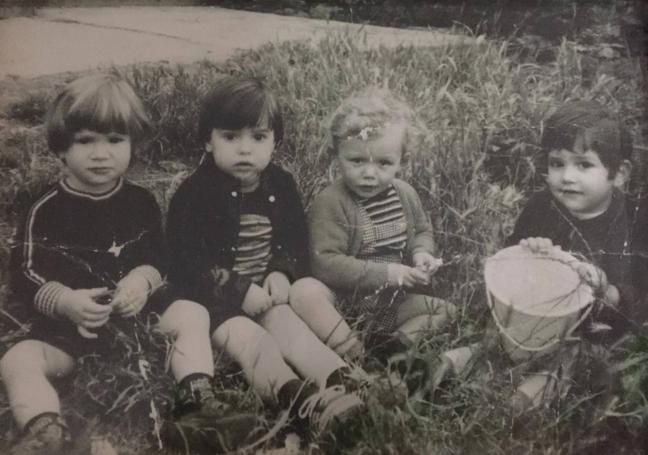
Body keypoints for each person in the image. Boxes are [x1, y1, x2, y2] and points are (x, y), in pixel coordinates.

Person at [0, 74, 258, 455]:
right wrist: (66, 302)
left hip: (138, 317)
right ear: (61, 150)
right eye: (85, 141)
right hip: (71, 328)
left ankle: (197, 403)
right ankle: (45, 431)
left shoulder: (141, 201)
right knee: (18, 359)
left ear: (134, 145)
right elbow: (24, 270)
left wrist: (141, 281)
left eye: (115, 140)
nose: (101, 154)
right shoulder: (46, 207)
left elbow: (159, 257)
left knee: (190, 313)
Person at [165, 76, 363, 440]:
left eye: (258, 137)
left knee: (293, 330)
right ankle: (297, 400)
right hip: (217, 307)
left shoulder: (281, 184)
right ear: (207, 141)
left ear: (275, 141)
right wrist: (238, 289)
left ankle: (346, 383)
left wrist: (280, 271)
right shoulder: (193, 194)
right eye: (230, 137)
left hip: (267, 297)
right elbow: (185, 260)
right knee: (255, 344)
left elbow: (293, 240)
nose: (245, 149)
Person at [441, 100, 644, 414]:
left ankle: (519, 405)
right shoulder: (541, 206)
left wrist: (604, 288)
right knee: (499, 337)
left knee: (575, 354)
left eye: (584, 165)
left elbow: (638, 302)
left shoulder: (635, 219)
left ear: (619, 174)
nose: (567, 177)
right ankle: (452, 364)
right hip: (535, 320)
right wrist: (527, 252)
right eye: (556, 163)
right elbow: (509, 268)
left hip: (598, 330)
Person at [289, 88, 456, 368]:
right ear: (336, 156)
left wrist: (421, 255)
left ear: (402, 162)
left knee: (445, 311)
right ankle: (353, 351)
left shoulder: (405, 194)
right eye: (357, 161)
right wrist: (389, 273)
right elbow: (325, 263)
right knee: (305, 292)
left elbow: (422, 232)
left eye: (383, 163)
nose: (369, 173)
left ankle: (392, 348)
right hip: (342, 304)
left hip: (390, 304)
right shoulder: (331, 202)